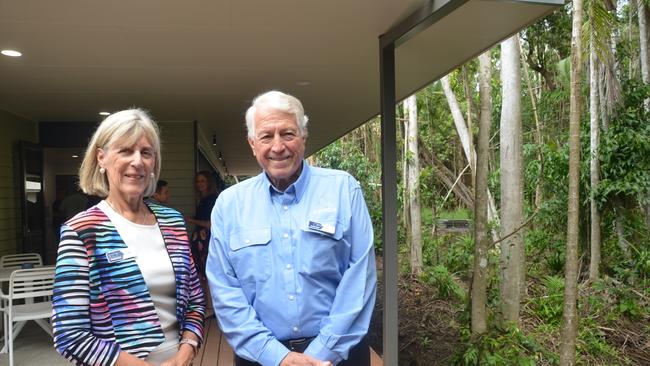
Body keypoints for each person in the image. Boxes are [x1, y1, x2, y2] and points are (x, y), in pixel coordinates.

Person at [207, 91, 377, 366]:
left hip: (339, 356)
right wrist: (277, 357)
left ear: (304, 137)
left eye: (287, 134)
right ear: (252, 143)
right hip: (260, 358)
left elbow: (361, 278)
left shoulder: (343, 189)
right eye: (266, 136)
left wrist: (320, 353)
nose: (278, 146)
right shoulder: (229, 204)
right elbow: (224, 289)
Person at [52, 109, 205, 366]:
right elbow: (69, 335)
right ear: (102, 158)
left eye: (146, 153)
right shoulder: (82, 230)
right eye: (125, 151)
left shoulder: (173, 222)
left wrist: (186, 351)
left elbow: (196, 301)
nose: (138, 161)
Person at [185, 171, 218, 279]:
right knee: (200, 273)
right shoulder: (202, 200)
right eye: (198, 181)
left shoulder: (212, 199)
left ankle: (208, 296)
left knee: (206, 274)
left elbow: (211, 224)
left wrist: (192, 220)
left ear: (209, 182)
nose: (200, 184)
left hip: (206, 240)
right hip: (199, 240)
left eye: (203, 181)